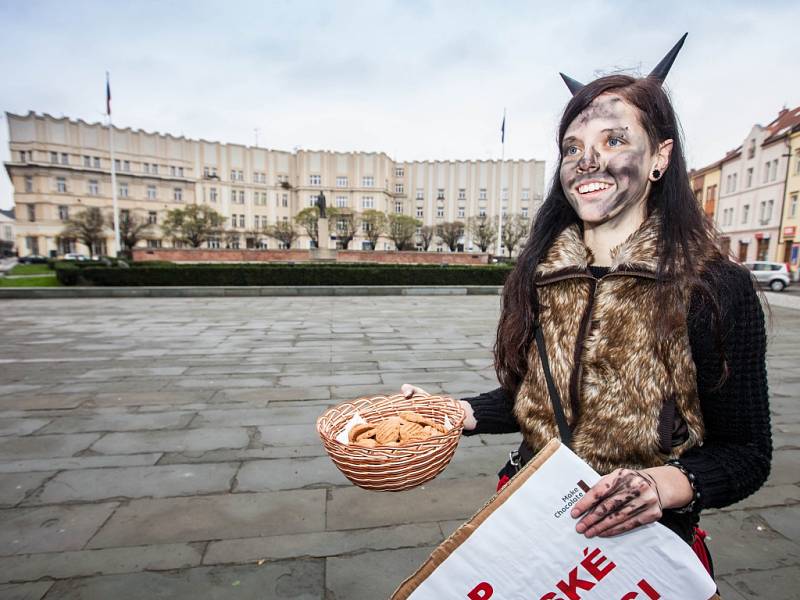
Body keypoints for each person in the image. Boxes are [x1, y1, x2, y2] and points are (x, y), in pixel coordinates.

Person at [402, 34, 771, 573]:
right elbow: (533, 398)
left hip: (640, 546)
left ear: (660, 157)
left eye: (615, 139)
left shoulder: (713, 287)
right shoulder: (540, 272)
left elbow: (746, 453)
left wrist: (661, 485)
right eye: (572, 148)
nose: (587, 161)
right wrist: (454, 412)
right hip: (526, 517)